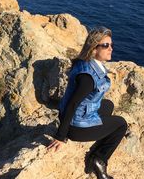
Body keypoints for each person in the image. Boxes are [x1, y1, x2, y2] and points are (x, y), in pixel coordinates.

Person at [47, 26, 127, 179]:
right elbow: (72, 105)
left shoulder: (85, 63)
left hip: (79, 116)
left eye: (111, 45)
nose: (110, 49)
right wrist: (61, 136)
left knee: (108, 105)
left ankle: (98, 138)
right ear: (94, 49)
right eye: (105, 45)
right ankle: (99, 160)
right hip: (76, 128)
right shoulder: (87, 78)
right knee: (121, 124)